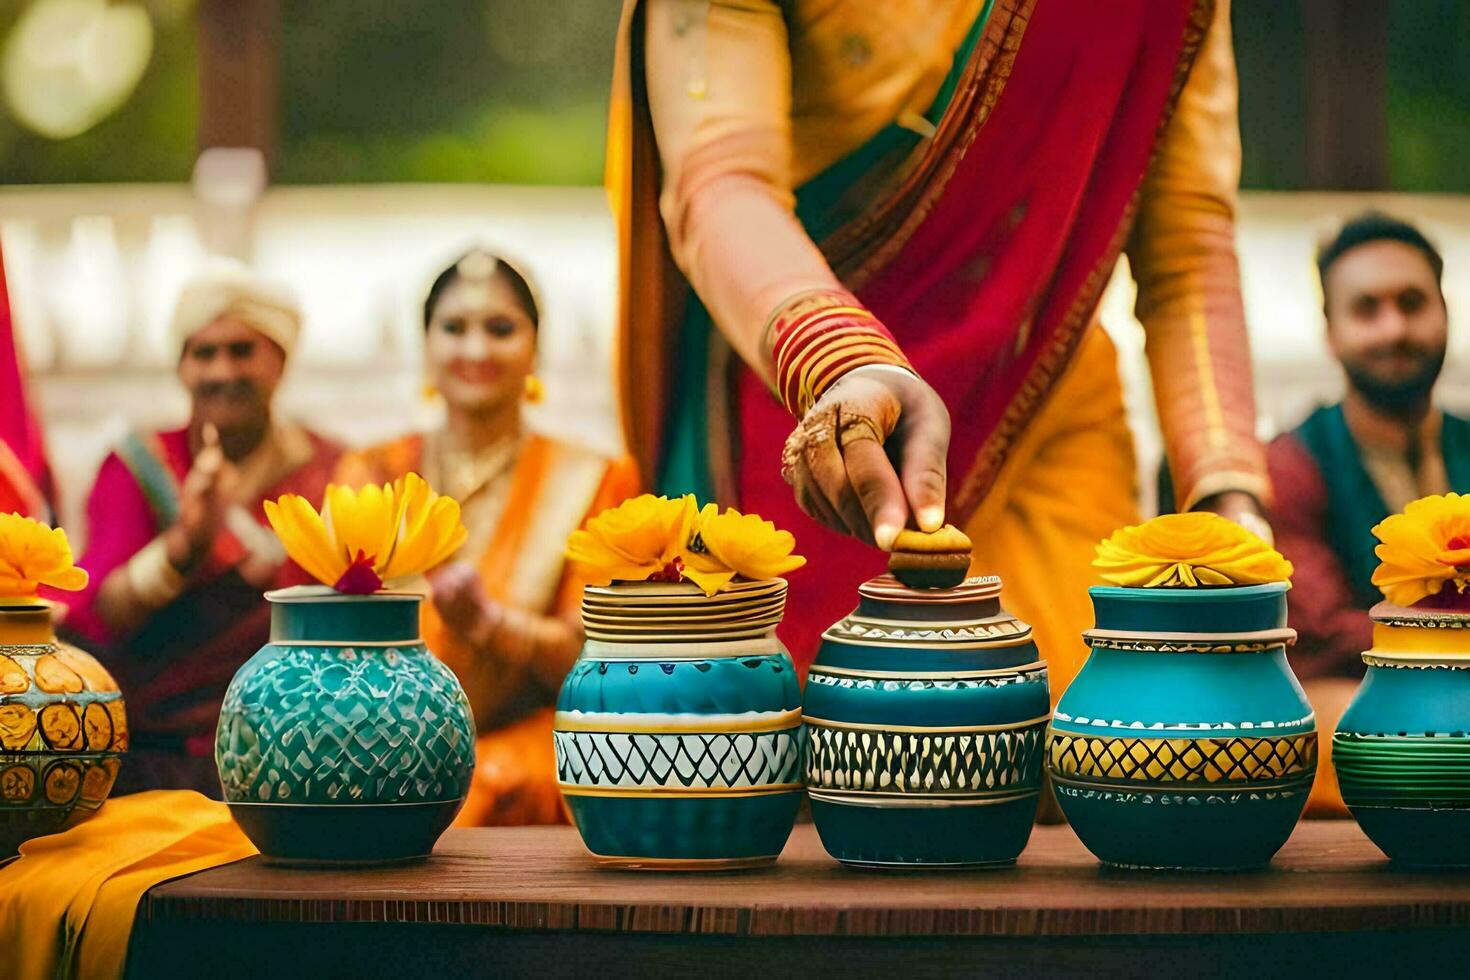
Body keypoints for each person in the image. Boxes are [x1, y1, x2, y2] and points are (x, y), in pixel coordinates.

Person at [610, 0, 1270, 698]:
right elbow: (720, 181)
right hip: (815, 412)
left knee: (1094, 739)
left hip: (1038, 394)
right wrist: (842, 363)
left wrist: (1228, 493)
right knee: (816, 756)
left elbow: (1187, 247)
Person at [337, 249, 639, 826]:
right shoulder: (372, 473)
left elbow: (605, 666)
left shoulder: (594, 479)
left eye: (500, 329)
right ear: (426, 346)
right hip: (381, 737)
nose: (475, 350)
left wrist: (495, 628)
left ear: (535, 350)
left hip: (526, 740)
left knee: (480, 790)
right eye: (454, 328)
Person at [65, 259, 341, 796]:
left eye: (242, 351)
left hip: (298, 757)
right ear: (182, 365)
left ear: (279, 362)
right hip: (153, 757)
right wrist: (180, 551)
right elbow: (96, 615)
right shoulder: (139, 466)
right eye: (203, 353)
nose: (221, 372)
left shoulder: (333, 471)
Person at [1267, 213, 1465, 813]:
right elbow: (1320, 632)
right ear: (1330, 333)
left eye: (1412, 303)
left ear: (1445, 312)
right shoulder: (1289, 465)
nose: (1394, 329)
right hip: (1360, 700)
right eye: (1366, 310)